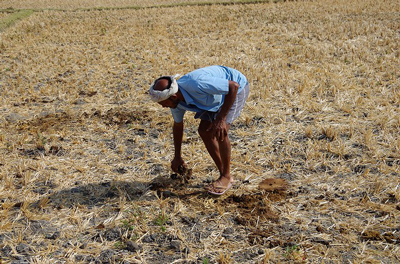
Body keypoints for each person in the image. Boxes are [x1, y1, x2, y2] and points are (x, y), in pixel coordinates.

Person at [148, 65, 250, 195]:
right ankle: (224, 175)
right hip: (213, 99)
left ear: (173, 97)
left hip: (236, 89)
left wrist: (221, 119)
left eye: (163, 103)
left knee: (220, 131)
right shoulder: (176, 103)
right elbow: (178, 126)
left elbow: (233, 86)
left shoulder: (196, 84)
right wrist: (177, 156)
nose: (162, 107)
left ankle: (226, 176)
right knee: (204, 131)